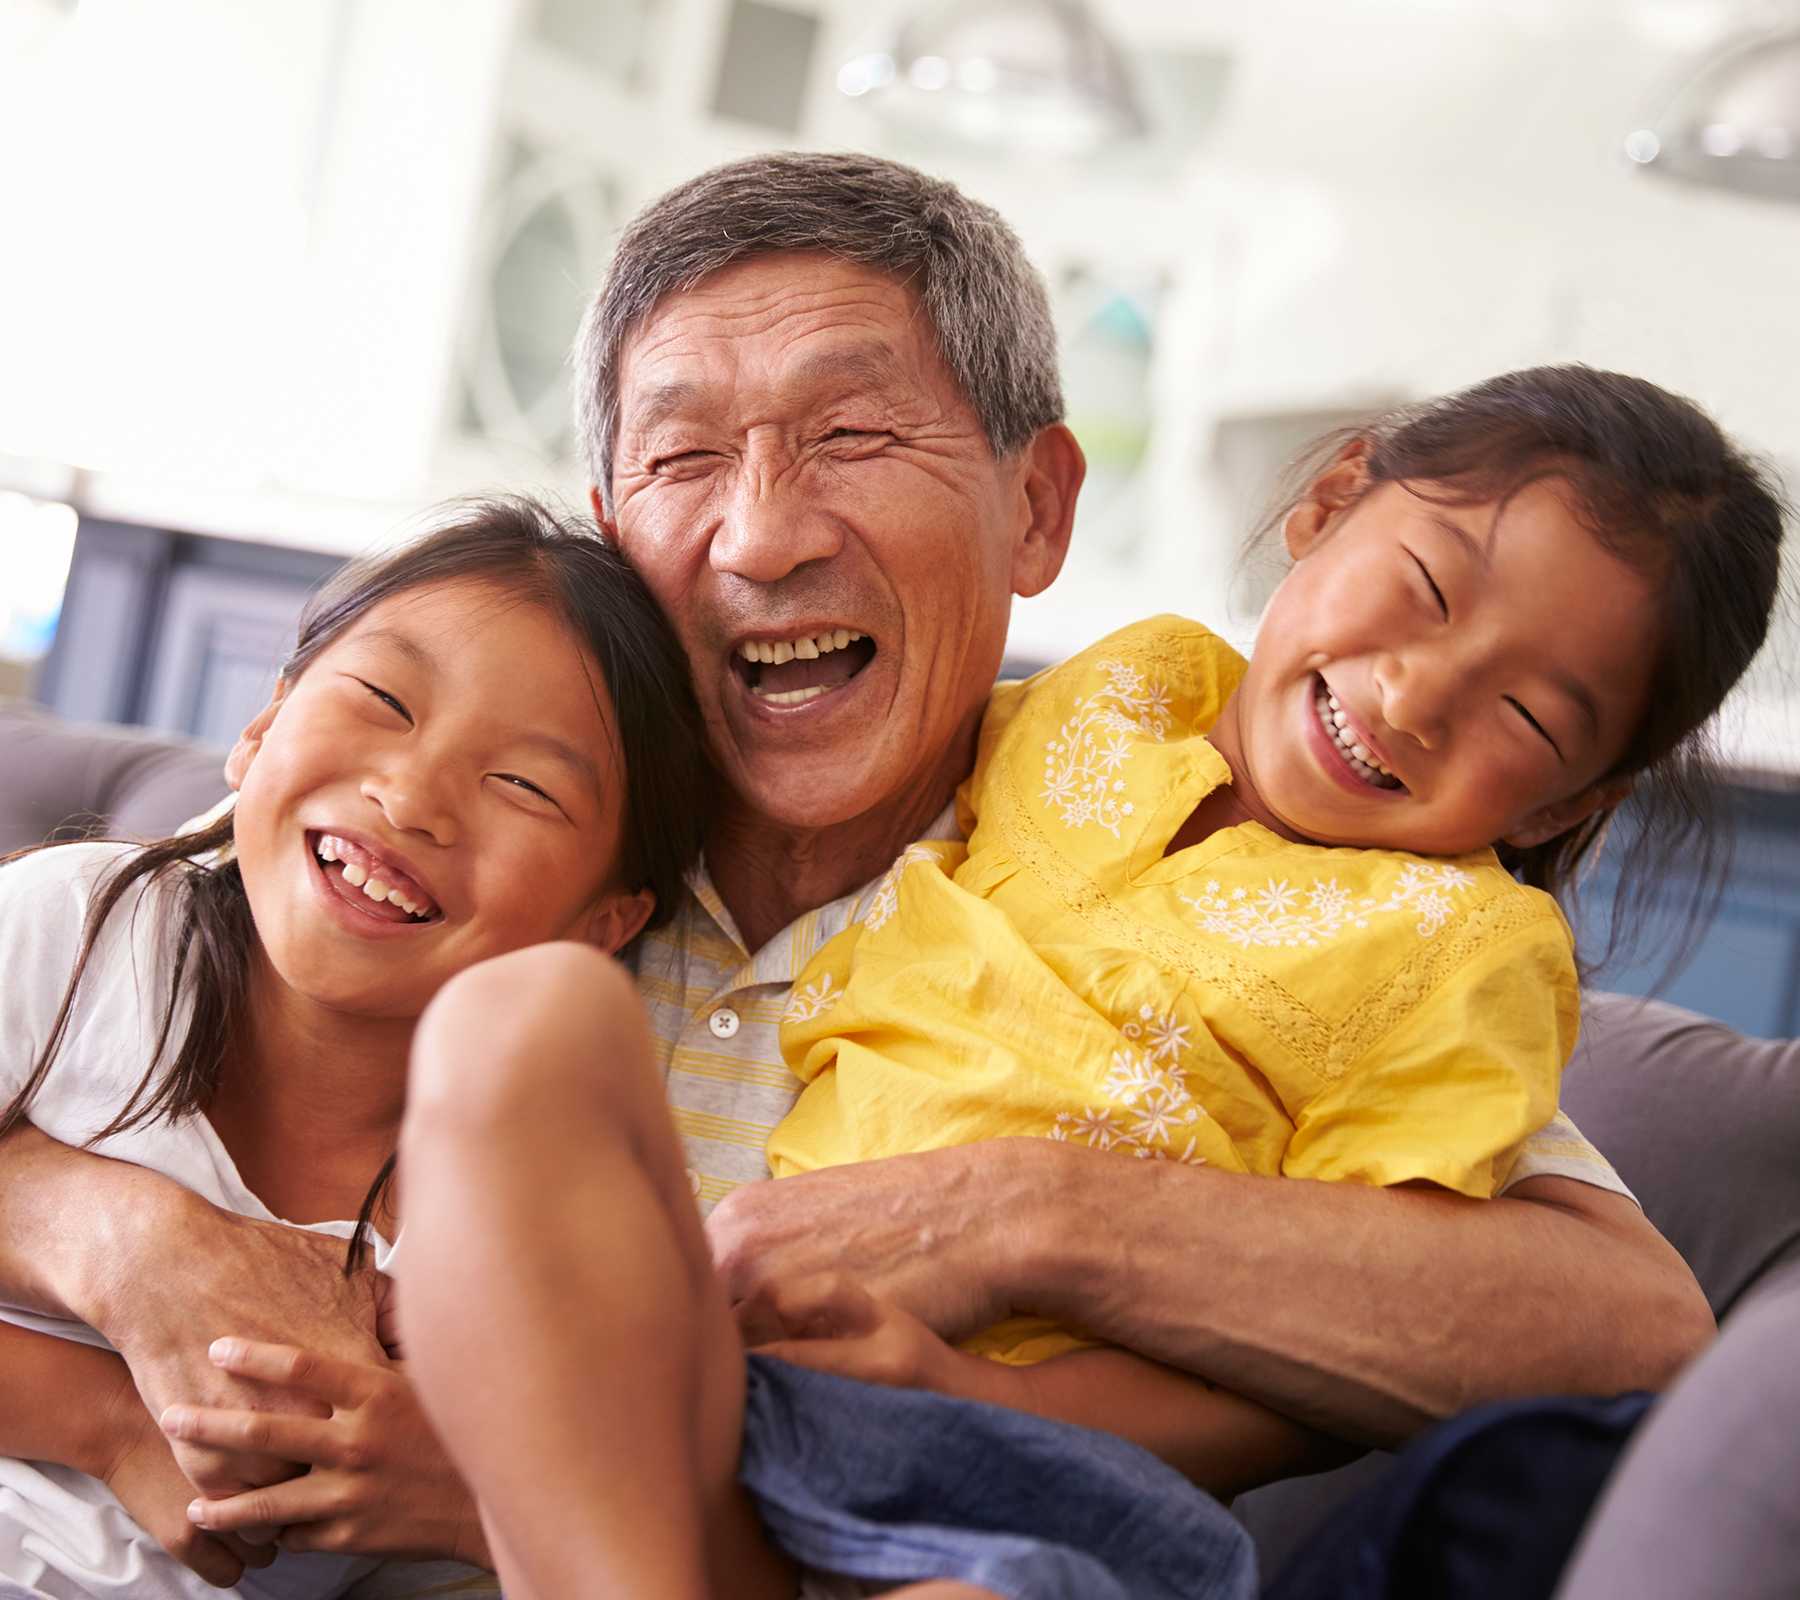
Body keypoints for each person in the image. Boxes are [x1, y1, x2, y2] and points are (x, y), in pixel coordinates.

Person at [0, 152, 1715, 1570]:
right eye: (682, 458)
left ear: (1039, 509)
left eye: (854, 437)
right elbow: (122, 1027)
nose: (759, 532)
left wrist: (1030, 1215)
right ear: (614, 534)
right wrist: (117, 1236)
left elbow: (1622, 1330)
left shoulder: (1175, 878)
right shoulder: (459, 847)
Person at [326, 365, 1779, 1598]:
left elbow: (1343, 1363)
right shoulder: (1117, 692)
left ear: (1564, 798)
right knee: (524, 1019)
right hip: (743, 1380)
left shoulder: (1462, 960)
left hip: (1009, 1466)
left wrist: (992, 1392)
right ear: (1329, 506)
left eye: (1525, 710)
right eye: (1420, 592)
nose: (1413, 696)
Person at [0, 498, 711, 1595]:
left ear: (603, 923)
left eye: (524, 784)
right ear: (262, 725)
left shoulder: (527, 1221)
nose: (412, 795)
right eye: (383, 700)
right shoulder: (81, 931)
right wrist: (105, 1420)